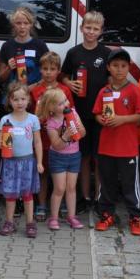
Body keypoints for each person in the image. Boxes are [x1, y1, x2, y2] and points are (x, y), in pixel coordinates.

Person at [92, 48, 140, 235]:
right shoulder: (103, 91)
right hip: (106, 147)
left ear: (128, 68)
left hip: (128, 148)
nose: (119, 70)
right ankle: (106, 215)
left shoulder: (134, 91)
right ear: (108, 67)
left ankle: (135, 217)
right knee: (107, 184)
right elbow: (97, 114)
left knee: (131, 185)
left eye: (123, 66)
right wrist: (102, 120)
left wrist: (122, 119)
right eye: (115, 66)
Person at [62, 11, 111, 215]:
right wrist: (68, 82)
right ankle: (84, 197)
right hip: (79, 114)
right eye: (88, 28)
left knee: (99, 158)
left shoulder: (107, 53)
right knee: (81, 157)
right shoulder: (74, 53)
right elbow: (63, 75)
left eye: (95, 29)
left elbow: (112, 81)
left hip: (99, 114)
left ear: (101, 32)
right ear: (81, 28)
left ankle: (99, 198)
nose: (91, 32)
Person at [29, 51, 75, 222]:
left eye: (52, 69)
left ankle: (62, 202)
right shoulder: (35, 90)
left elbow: (70, 113)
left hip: (61, 140)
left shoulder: (64, 90)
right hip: (41, 138)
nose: (48, 72)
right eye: (45, 69)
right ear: (40, 70)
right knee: (42, 172)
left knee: (60, 173)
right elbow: (32, 115)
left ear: (58, 71)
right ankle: (41, 204)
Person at [0, 83, 44, 237]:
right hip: (10, 162)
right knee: (11, 195)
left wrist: (40, 162)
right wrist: (3, 143)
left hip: (28, 162)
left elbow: (37, 142)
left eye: (23, 99)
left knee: (28, 194)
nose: (20, 102)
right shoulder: (5, 120)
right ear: (10, 101)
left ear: (28, 100)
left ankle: (30, 223)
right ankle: (9, 222)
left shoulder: (33, 119)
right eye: (15, 99)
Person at [36, 88, 86, 230]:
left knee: (71, 188)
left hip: (74, 156)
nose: (65, 104)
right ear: (51, 107)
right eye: (60, 103)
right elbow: (57, 145)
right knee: (59, 188)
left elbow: (83, 133)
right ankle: (54, 217)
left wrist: (76, 126)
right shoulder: (51, 123)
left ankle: (72, 216)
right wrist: (65, 136)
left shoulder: (73, 113)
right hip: (58, 157)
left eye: (65, 100)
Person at [0, 7, 49, 103]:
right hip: (13, 98)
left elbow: (48, 74)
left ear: (31, 25)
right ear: (13, 25)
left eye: (26, 23)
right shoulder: (7, 46)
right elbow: (1, 78)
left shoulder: (40, 45)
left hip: (35, 95)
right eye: (18, 23)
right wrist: (9, 68)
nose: (22, 26)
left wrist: (32, 87)